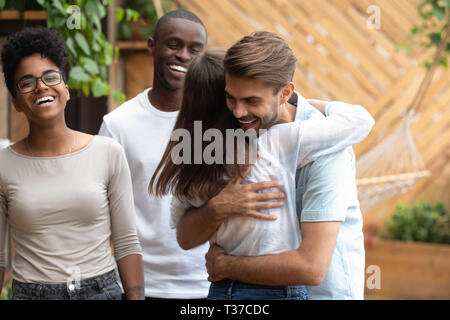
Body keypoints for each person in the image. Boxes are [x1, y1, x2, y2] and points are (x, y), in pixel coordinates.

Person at [151, 31, 374, 300]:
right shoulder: (235, 139)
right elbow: (186, 237)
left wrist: (225, 265)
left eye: (251, 101)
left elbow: (312, 269)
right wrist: (219, 207)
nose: (238, 112)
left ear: (285, 93)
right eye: (230, 98)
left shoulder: (323, 145)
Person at [0, 27, 144, 300]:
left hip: (100, 291)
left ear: (65, 89)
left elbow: (126, 242)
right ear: (16, 103)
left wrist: (136, 297)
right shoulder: (3, 164)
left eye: (50, 77)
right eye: (26, 82)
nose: (41, 86)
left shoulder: (107, 152)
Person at [99, 10, 232, 299]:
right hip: (139, 286)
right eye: (173, 44)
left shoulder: (218, 122)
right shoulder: (118, 124)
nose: (183, 55)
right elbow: (99, 212)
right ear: (151, 46)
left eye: (194, 49)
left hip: (209, 285)